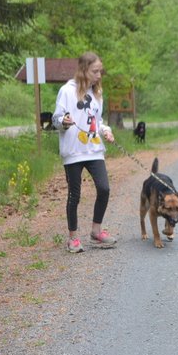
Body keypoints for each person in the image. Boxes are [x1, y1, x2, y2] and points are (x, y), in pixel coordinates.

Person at [52, 52, 117, 253]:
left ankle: (96, 231)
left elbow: (97, 122)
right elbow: (56, 119)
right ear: (83, 70)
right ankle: (73, 238)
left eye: (100, 71)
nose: (99, 75)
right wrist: (64, 121)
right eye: (95, 71)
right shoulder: (66, 91)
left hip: (94, 150)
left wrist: (106, 131)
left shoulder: (97, 93)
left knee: (104, 189)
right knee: (75, 194)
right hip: (73, 152)